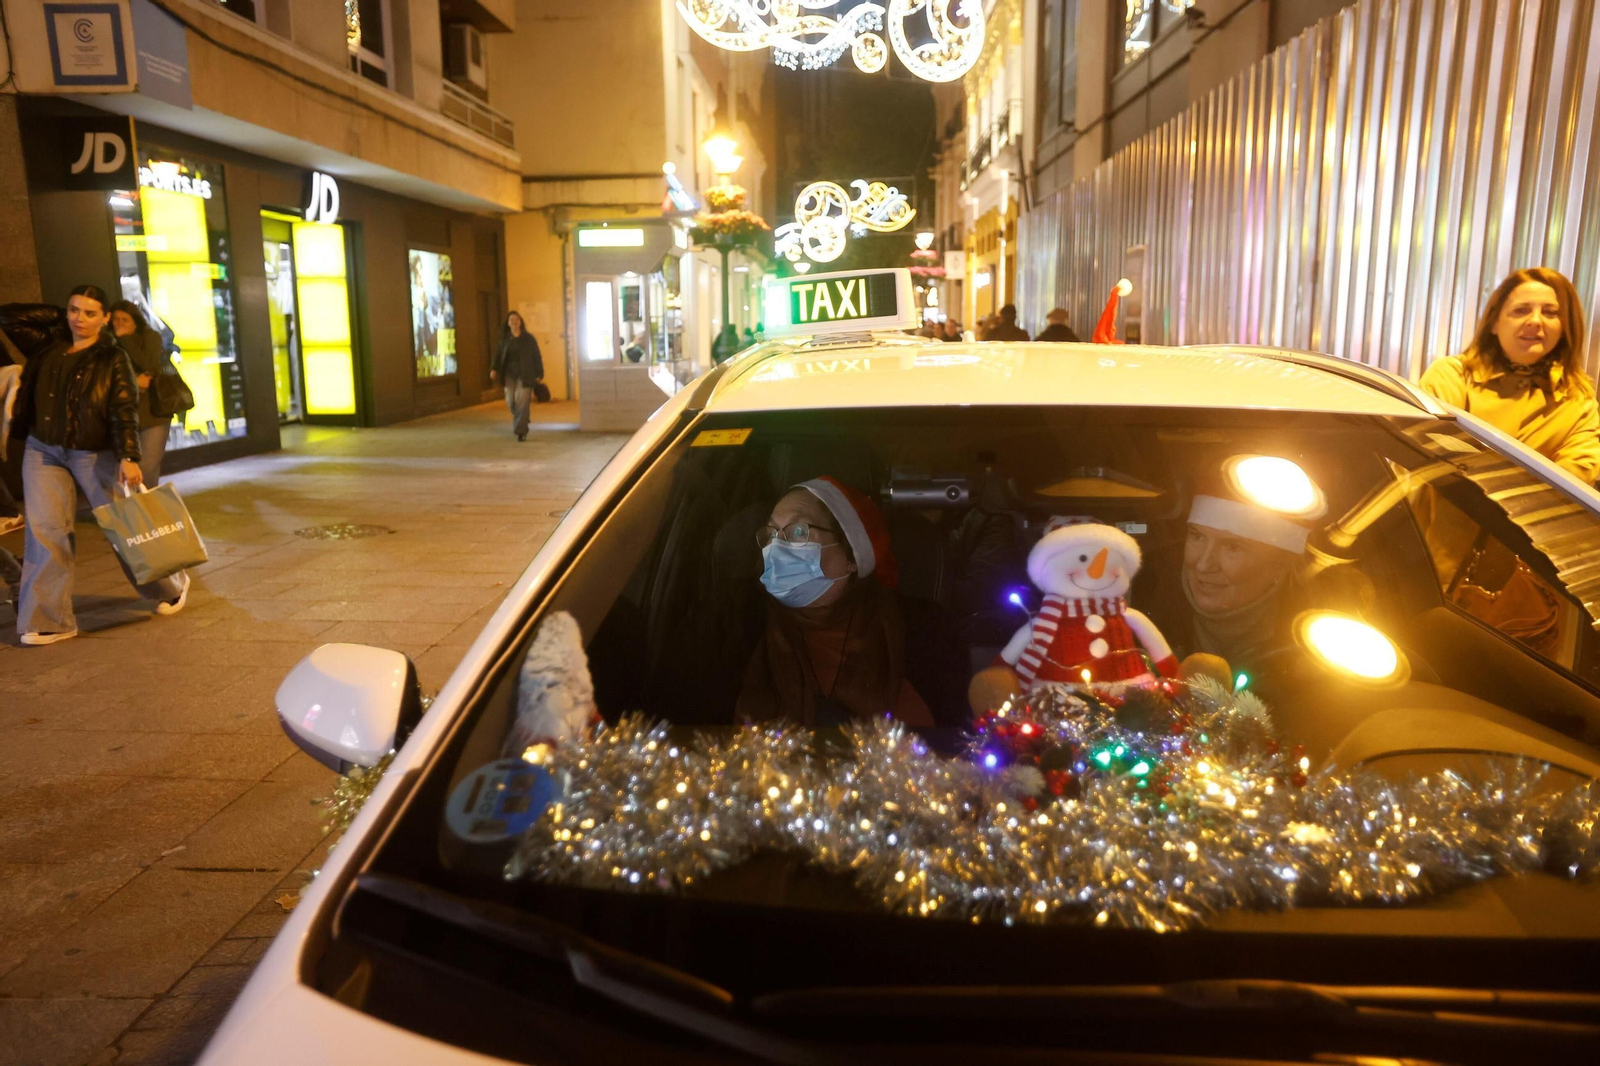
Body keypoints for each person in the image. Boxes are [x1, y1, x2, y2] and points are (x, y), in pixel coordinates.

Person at [10, 284, 188, 645]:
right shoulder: (49, 345)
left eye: (91, 313)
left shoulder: (112, 357)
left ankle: (169, 586)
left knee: (123, 527)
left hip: (93, 452)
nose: (80, 319)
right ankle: (49, 620)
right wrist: (58, 318)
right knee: (45, 531)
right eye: (74, 310)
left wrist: (128, 456)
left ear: (105, 318)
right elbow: (9, 316)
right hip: (43, 450)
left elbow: (123, 410)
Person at [737, 477, 934, 727]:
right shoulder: (739, 625)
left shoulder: (923, 631)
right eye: (770, 534)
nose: (776, 546)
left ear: (851, 555)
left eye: (798, 531)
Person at [1419, 267, 1599, 483]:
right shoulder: (1452, 377)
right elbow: (1428, 458)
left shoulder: (1578, 398)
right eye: (1521, 310)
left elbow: (1576, 476)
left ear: (1565, 326)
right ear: (1494, 323)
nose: (1535, 321)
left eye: (1550, 312)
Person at [109, 300, 172, 488]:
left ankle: (147, 507)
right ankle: (133, 510)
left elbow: (149, 365)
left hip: (153, 412)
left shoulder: (150, 337)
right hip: (122, 414)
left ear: (136, 321)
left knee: (148, 465)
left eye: (124, 320)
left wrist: (125, 339)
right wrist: (134, 382)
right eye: (115, 320)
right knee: (120, 469)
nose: (119, 324)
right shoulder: (109, 342)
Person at [491, 311, 544, 442]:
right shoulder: (505, 339)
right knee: (510, 401)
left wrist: (539, 373)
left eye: (516, 320)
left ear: (520, 322)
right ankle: (523, 417)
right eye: (511, 320)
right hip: (509, 374)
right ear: (508, 324)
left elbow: (536, 356)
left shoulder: (529, 339)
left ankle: (521, 431)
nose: (514, 322)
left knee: (522, 401)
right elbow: (497, 355)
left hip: (526, 373)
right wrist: (493, 369)